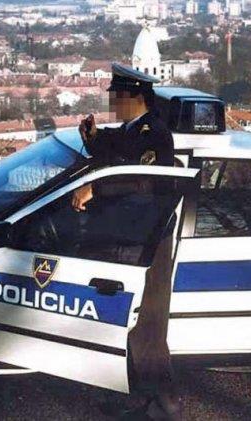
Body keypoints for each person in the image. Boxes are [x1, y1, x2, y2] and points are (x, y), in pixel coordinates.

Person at [73, 63, 181, 421]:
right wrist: (93, 137)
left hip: (150, 239)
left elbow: (144, 179)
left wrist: (96, 189)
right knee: (132, 325)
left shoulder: (155, 134)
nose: (111, 102)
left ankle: (165, 406)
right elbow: (115, 147)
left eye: (115, 96)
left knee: (148, 326)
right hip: (132, 234)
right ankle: (142, 401)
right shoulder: (133, 129)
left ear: (134, 96)